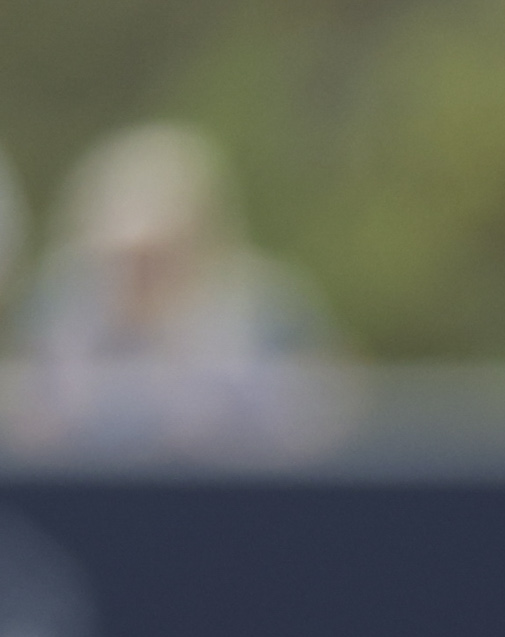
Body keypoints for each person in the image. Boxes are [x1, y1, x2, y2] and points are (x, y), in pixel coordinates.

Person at [7, 124, 344, 460]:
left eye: (156, 259)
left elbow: (326, 416)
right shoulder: (59, 310)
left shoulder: (265, 311)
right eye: (122, 260)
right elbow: (28, 421)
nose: (138, 276)